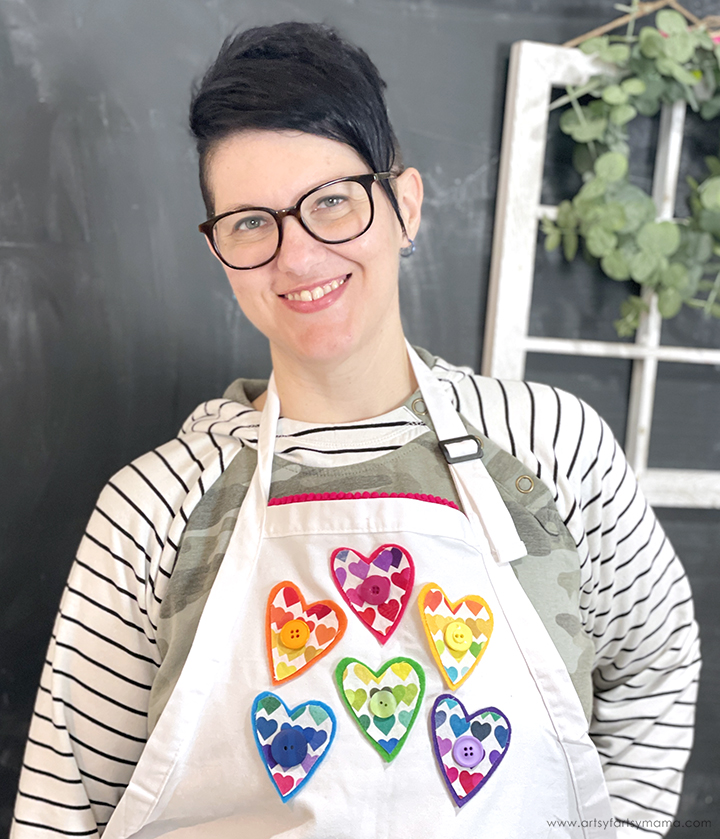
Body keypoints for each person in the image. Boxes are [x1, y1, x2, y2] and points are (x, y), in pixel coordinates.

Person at [12, 21, 700, 839]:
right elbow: (66, 805)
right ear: (220, 251)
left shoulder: (553, 445)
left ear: (404, 206)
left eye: (331, 201)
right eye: (250, 223)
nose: (297, 257)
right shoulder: (153, 505)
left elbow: (656, 666)